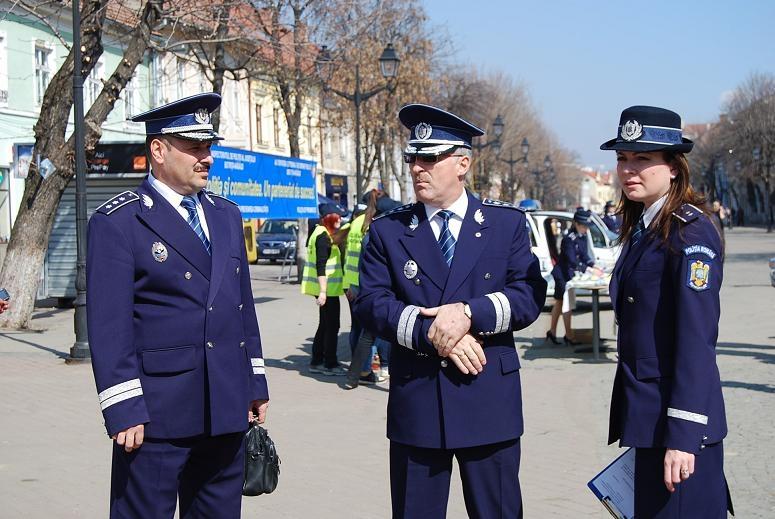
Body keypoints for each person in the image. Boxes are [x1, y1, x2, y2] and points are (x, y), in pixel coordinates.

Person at [354, 104, 546, 517]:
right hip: (419, 401)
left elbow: (530, 293)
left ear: (463, 163)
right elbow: (370, 303)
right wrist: (436, 337)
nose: (417, 168)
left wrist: (469, 314)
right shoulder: (389, 231)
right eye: (412, 158)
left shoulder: (505, 224)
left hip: (488, 400)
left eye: (430, 158)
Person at [86, 93, 269, 518]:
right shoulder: (119, 222)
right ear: (158, 150)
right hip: (156, 416)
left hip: (225, 406)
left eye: (208, 147)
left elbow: (242, 309)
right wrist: (123, 407)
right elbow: (109, 327)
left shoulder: (225, 214)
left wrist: (254, 384)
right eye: (194, 147)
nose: (206, 157)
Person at [602, 105, 732, 518]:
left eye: (643, 158)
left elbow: (696, 341)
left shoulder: (689, 233)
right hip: (649, 418)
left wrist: (684, 435)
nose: (629, 170)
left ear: (674, 167)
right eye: (623, 158)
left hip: (677, 428)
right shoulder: (644, 226)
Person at [343, 193, 402, 389]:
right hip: (375, 291)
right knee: (378, 333)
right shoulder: (377, 235)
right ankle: (374, 371)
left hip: (358, 286)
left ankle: (357, 374)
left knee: (363, 333)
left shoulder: (363, 225)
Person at [302, 203, 347, 376]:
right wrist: (322, 292)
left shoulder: (319, 233)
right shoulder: (322, 237)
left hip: (327, 289)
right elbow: (320, 264)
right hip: (326, 290)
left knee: (325, 325)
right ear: (329, 218)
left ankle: (317, 360)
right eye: (338, 216)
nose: (341, 219)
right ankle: (330, 363)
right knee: (332, 326)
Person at [546, 208, 599, 345]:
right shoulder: (568, 239)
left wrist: (593, 265)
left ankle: (552, 332)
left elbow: (584, 255)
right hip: (562, 275)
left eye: (587, 226)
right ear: (576, 224)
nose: (586, 229)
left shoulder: (583, 236)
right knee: (565, 304)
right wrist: (587, 268)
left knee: (559, 303)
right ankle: (568, 336)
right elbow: (571, 261)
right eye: (583, 226)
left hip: (567, 275)